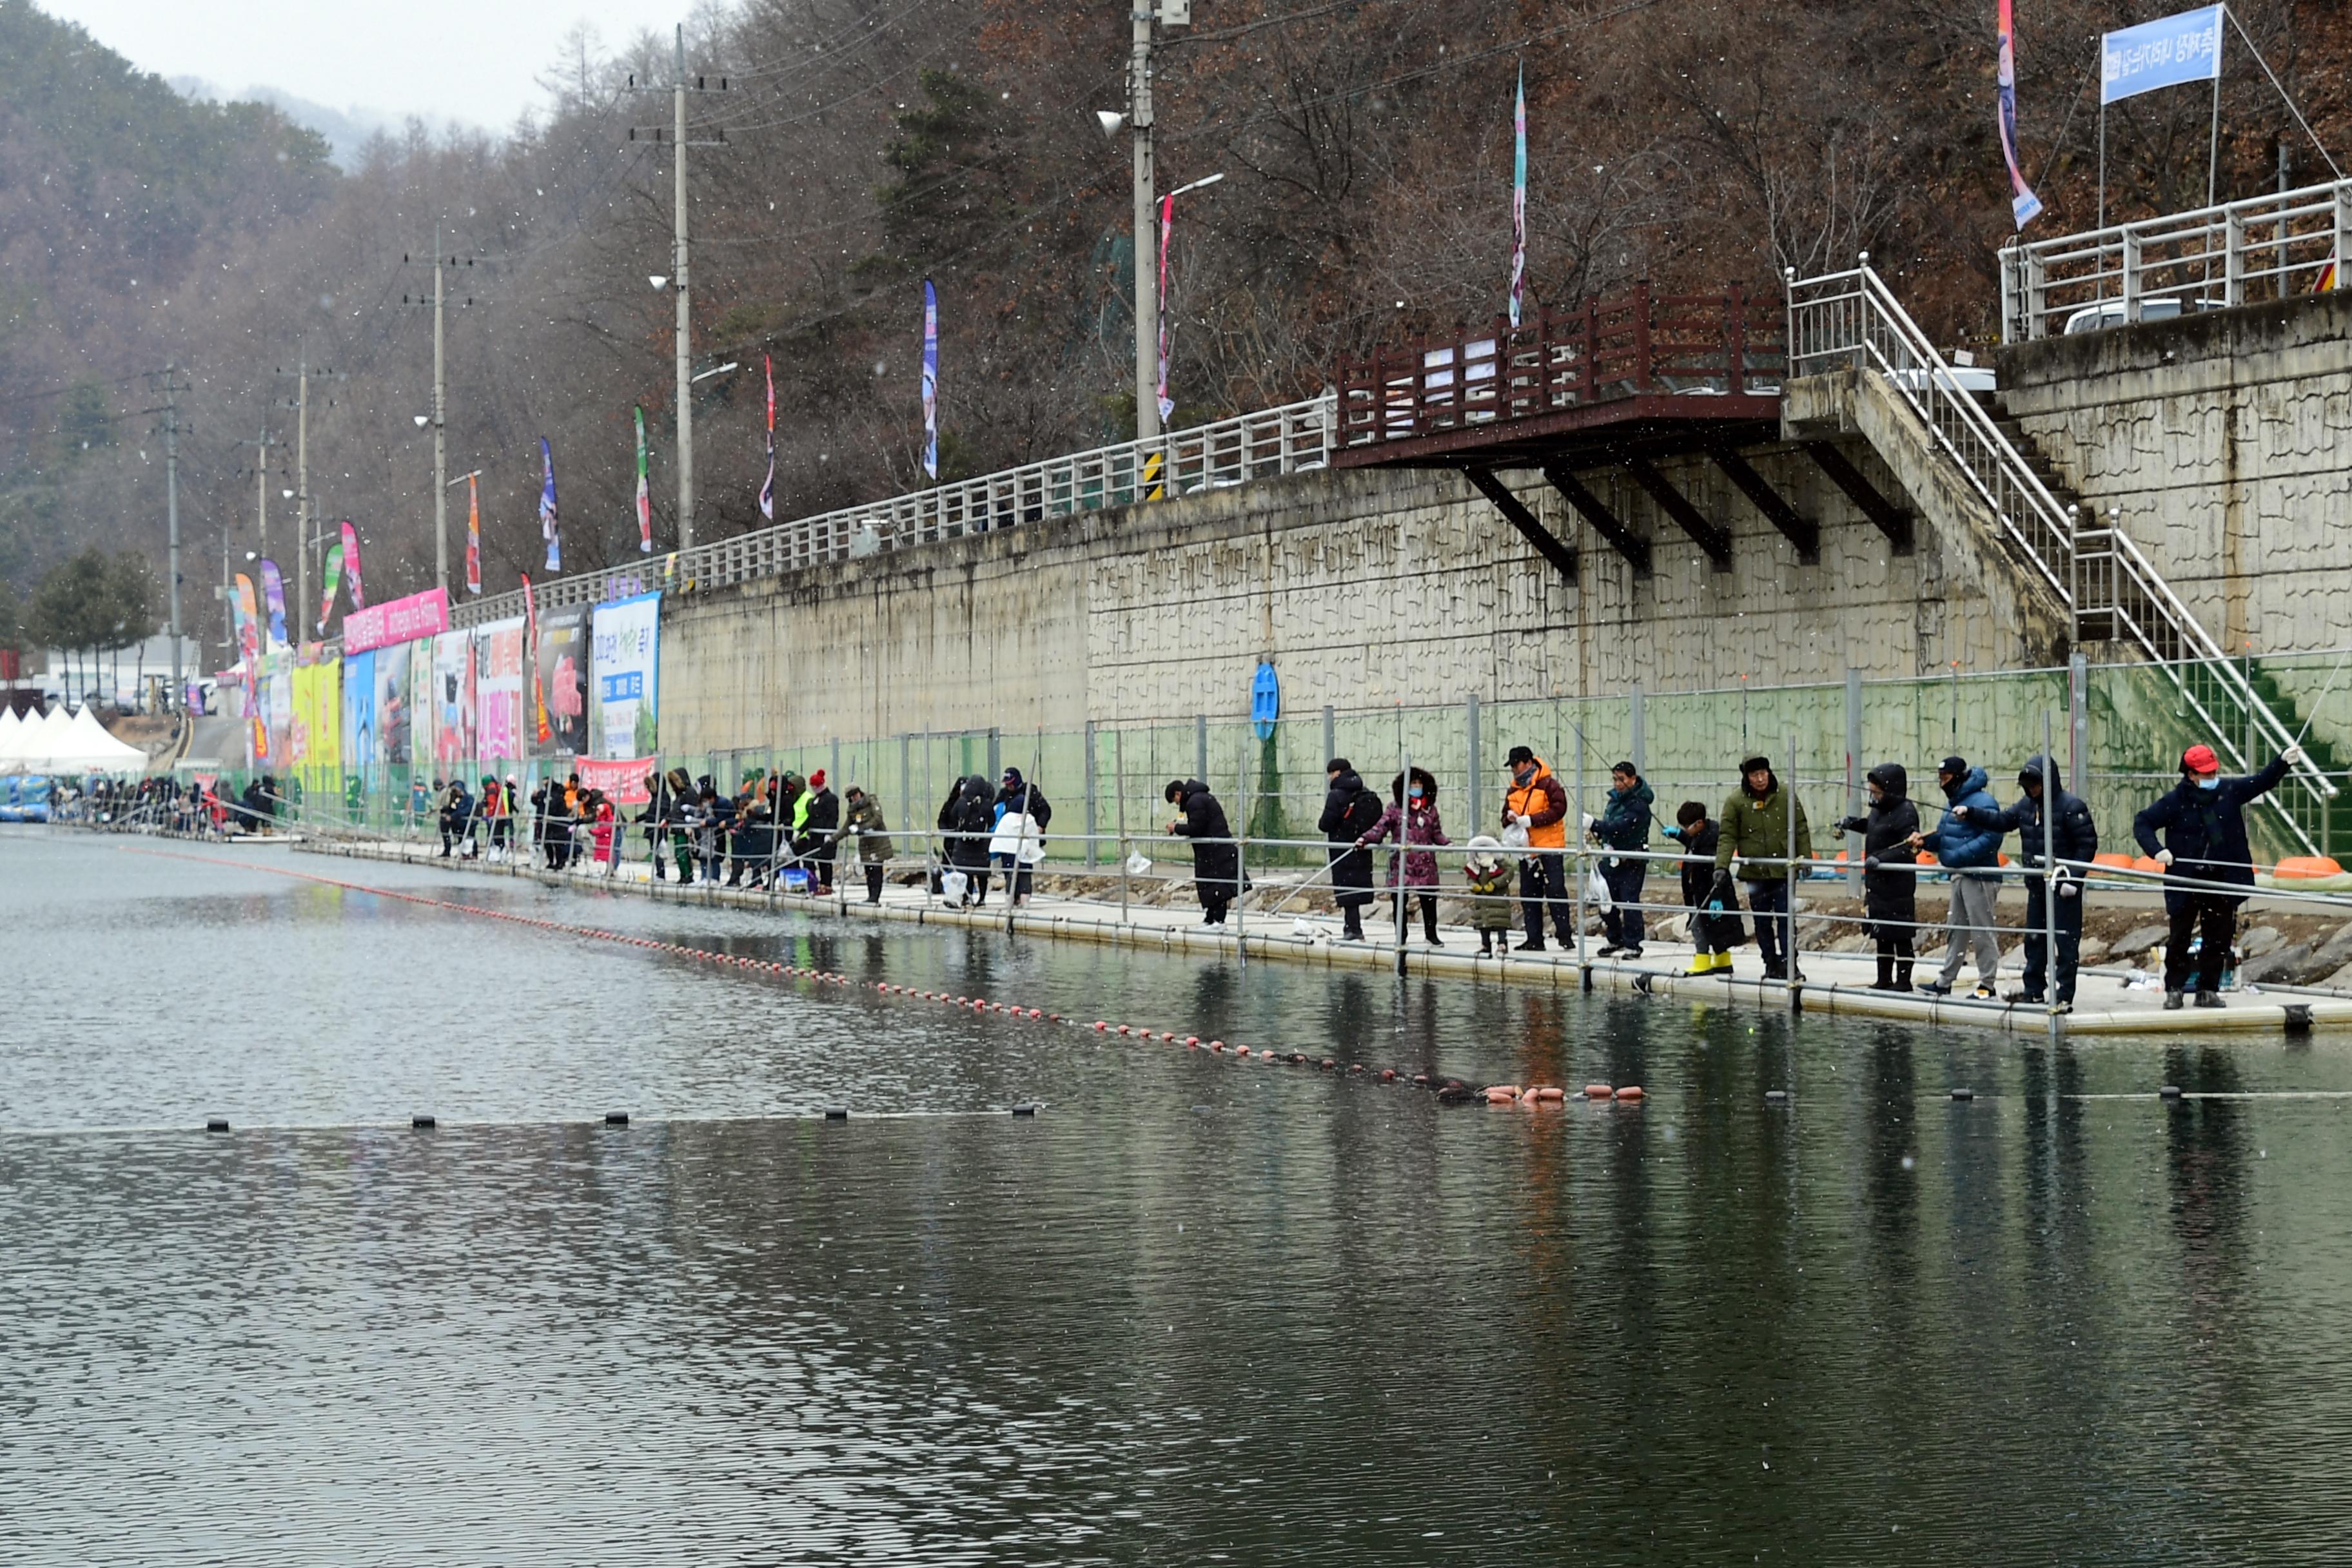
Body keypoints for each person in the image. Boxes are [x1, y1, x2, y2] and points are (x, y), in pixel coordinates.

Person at [2133, 742, 2298, 1009]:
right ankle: (2174, 989)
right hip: (2186, 879)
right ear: (2191, 775)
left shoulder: (2229, 792)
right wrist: (2157, 850)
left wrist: (2283, 762)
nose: (2212, 778)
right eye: (2205, 774)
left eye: (2213, 773)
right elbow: (2143, 822)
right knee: (2180, 937)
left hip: (2221, 877)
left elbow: (2260, 782)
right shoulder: (2175, 802)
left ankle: (2208, 989)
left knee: (2218, 938)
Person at [1981, 754, 2099, 1010]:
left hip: (2063, 887)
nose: (2032, 790)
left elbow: (2087, 844)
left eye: (2036, 784)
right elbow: (2002, 821)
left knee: (2066, 942)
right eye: (2028, 785)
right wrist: (1972, 814)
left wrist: (2074, 879)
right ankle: (2034, 989)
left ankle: (2065, 993)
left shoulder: (2071, 806)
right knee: (2035, 940)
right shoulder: (2026, 806)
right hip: (2037, 886)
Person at [1910, 755, 2006, 1001]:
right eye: (1940, 778)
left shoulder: (1985, 802)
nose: (1942, 783)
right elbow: (1945, 836)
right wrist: (1925, 842)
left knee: (1982, 931)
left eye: (1946, 778)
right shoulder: (1952, 804)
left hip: (1981, 877)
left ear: (1959, 777)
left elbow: (1992, 837)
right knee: (1956, 930)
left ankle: (1987, 985)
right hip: (1959, 876)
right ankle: (1945, 981)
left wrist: (1957, 858)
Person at [1714, 754, 1813, 981]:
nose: (1760, 779)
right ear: (1746, 778)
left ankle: (1790, 963)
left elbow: (1800, 828)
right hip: (1755, 872)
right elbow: (1727, 836)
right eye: (1754, 775)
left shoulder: (1786, 795)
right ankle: (1770, 962)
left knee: (1786, 918)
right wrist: (1722, 865)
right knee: (1762, 920)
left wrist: (1804, 857)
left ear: (1769, 772)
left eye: (1763, 773)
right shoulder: (1736, 802)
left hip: (1783, 870)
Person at [1838, 763, 1921, 992]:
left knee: (1900, 933)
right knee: (1881, 932)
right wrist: (1852, 823)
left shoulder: (1905, 811)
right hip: (1877, 885)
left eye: (1877, 791)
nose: (1873, 796)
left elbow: (1909, 846)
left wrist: (1883, 859)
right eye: (1871, 791)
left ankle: (1904, 980)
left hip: (1897, 885)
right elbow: (1875, 829)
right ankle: (1883, 978)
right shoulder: (1878, 810)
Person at [1358, 765, 1449, 945]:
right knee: (1399, 901)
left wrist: (1447, 843)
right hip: (1402, 863)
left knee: (1429, 901)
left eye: (1419, 783)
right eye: (1413, 783)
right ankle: (1401, 936)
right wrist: (1365, 838)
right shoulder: (1395, 808)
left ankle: (1431, 935)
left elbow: (1436, 833)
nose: (1417, 786)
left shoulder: (1430, 810)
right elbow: (1380, 828)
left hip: (1425, 863)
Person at [1502, 745, 1573, 951]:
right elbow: (1504, 815)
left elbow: (1559, 809)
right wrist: (1510, 819)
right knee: (1529, 894)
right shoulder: (1513, 790)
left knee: (1556, 891)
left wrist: (1532, 820)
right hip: (1527, 852)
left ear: (1528, 762)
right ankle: (1534, 938)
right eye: (1512, 766)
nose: (1514, 769)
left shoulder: (1549, 785)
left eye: (1517, 764)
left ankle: (1565, 935)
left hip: (1550, 848)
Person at [1663, 801, 1742, 974]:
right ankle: (1722, 961)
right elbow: (1692, 843)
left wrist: (1717, 898)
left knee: (1700, 928)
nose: (1685, 831)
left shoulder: (1711, 843)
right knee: (1716, 928)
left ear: (1699, 823)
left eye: (1686, 827)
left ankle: (1702, 961)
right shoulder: (1702, 836)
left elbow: (1716, 871)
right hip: (1699, 892)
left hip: (1709, 893)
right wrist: (1678, 835)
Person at [1590, 761, 1654, 959]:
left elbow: (1623, 825)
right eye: (1615, 779)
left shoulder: (1639, 805)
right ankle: (1614, 938)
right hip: (1611, 859)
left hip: (1632, 861)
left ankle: (1633, 943)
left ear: (1633, 779)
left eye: (1622, 779)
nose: (1618, 784)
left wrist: (1596, 824)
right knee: (1605, 899)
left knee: (1629, 902)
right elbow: (1611, 825)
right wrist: (1600, 833)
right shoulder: (1614, 800)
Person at [1318, 758, 1384, 940]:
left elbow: (1325, 824)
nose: (1330, 778)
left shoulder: (1336, 795)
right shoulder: (1364, 791)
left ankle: (1352, 929)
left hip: (1343, 848)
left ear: (1337, 773)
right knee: (1357, 885)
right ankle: (1354, 927)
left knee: (1347, 888)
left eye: (1331, 774)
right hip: (1362, 846)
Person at [1166, 778, 1240, 925]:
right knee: (1211, 886)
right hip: (1213, 850)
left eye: (1176, 801)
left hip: (1214, 851)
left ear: (1178, 794)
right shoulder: (1200, 797)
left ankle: (1218, 921)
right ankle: (1210, 918)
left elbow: (1196, 828)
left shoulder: (1195, 801)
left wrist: (1176, 828)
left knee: (1216, 886)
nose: (1179, 805)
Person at [992, 767, 1053, 905]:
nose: (1008, 787)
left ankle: (1023, 896)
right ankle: (1013, 896)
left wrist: (1040, 826)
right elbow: (995, 812)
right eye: (1006, 784)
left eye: (1011, 783)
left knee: (1024, 869)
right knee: (1009, 869)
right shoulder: (1003, 795)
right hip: (1008, 840)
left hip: (1026, 838)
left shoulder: (1031, 793)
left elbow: (1045, 810)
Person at [835, 785, 896, 903]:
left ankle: (875, 897)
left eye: (856, 795)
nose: (855, 798)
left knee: (876, 870)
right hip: (866, 845)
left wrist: (863, 828)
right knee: (869, 870)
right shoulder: (852, 810)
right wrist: (833, 839)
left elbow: (878, 818)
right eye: (852, 797)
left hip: (878, 842)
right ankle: (870, 896)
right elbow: (846, 827)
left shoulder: (871, 801)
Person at [939, 776, 994, 904]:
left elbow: (953, 818)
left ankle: (967, 897)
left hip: (963, 844)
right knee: (982, 874)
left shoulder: (961, 802)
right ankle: (982, 898)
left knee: (966, 872)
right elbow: (992, 821)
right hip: (981, 844)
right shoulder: (986, 803)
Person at [1463, 834, 1515, 956]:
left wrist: (1495, 884)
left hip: (1499, 898)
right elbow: (1470, 878)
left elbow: (1509, 873)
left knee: (1500, 921)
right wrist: (1473, 885)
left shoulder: (1499, 863)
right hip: (1482, 899)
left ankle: (1502, 943)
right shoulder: (1475, 865)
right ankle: (1485, 944)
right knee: (1483, 922)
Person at [801, 769, 841, 893]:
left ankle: (826, 885)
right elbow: (811, 818)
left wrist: (829, 833)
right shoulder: (814, 801)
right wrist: (801, 830)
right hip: (815, 836)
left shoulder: (831, 799)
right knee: (811, 859)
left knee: (825, 861)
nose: (814, 789)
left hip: (824, 835)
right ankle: (816, 883)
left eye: (816, 786)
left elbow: (832, 817)